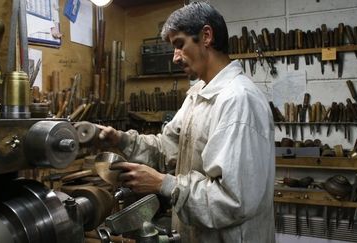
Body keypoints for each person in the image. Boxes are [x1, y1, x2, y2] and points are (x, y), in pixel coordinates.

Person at [97, 2, 275, 242]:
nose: (175, 57)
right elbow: (168, 147)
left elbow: (234, 201)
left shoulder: (238, 99)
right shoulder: (198, 94)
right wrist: (121, 139)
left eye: (180, 45)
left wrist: (162, 183)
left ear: (206, 36)